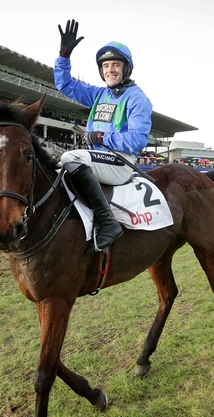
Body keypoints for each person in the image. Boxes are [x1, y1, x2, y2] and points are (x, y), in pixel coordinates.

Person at [54, 19, 153, 252]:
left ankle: (109, 224)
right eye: (106, 65)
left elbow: (138, 140)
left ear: (126, 68)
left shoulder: (137, 98)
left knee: (69, 158)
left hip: (120, 162)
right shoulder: (99, 94)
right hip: (98, 159)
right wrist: (64, 55)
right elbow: (64, 84)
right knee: (56, 166)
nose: (111, 70)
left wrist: (101, 137)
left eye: (116, 65)